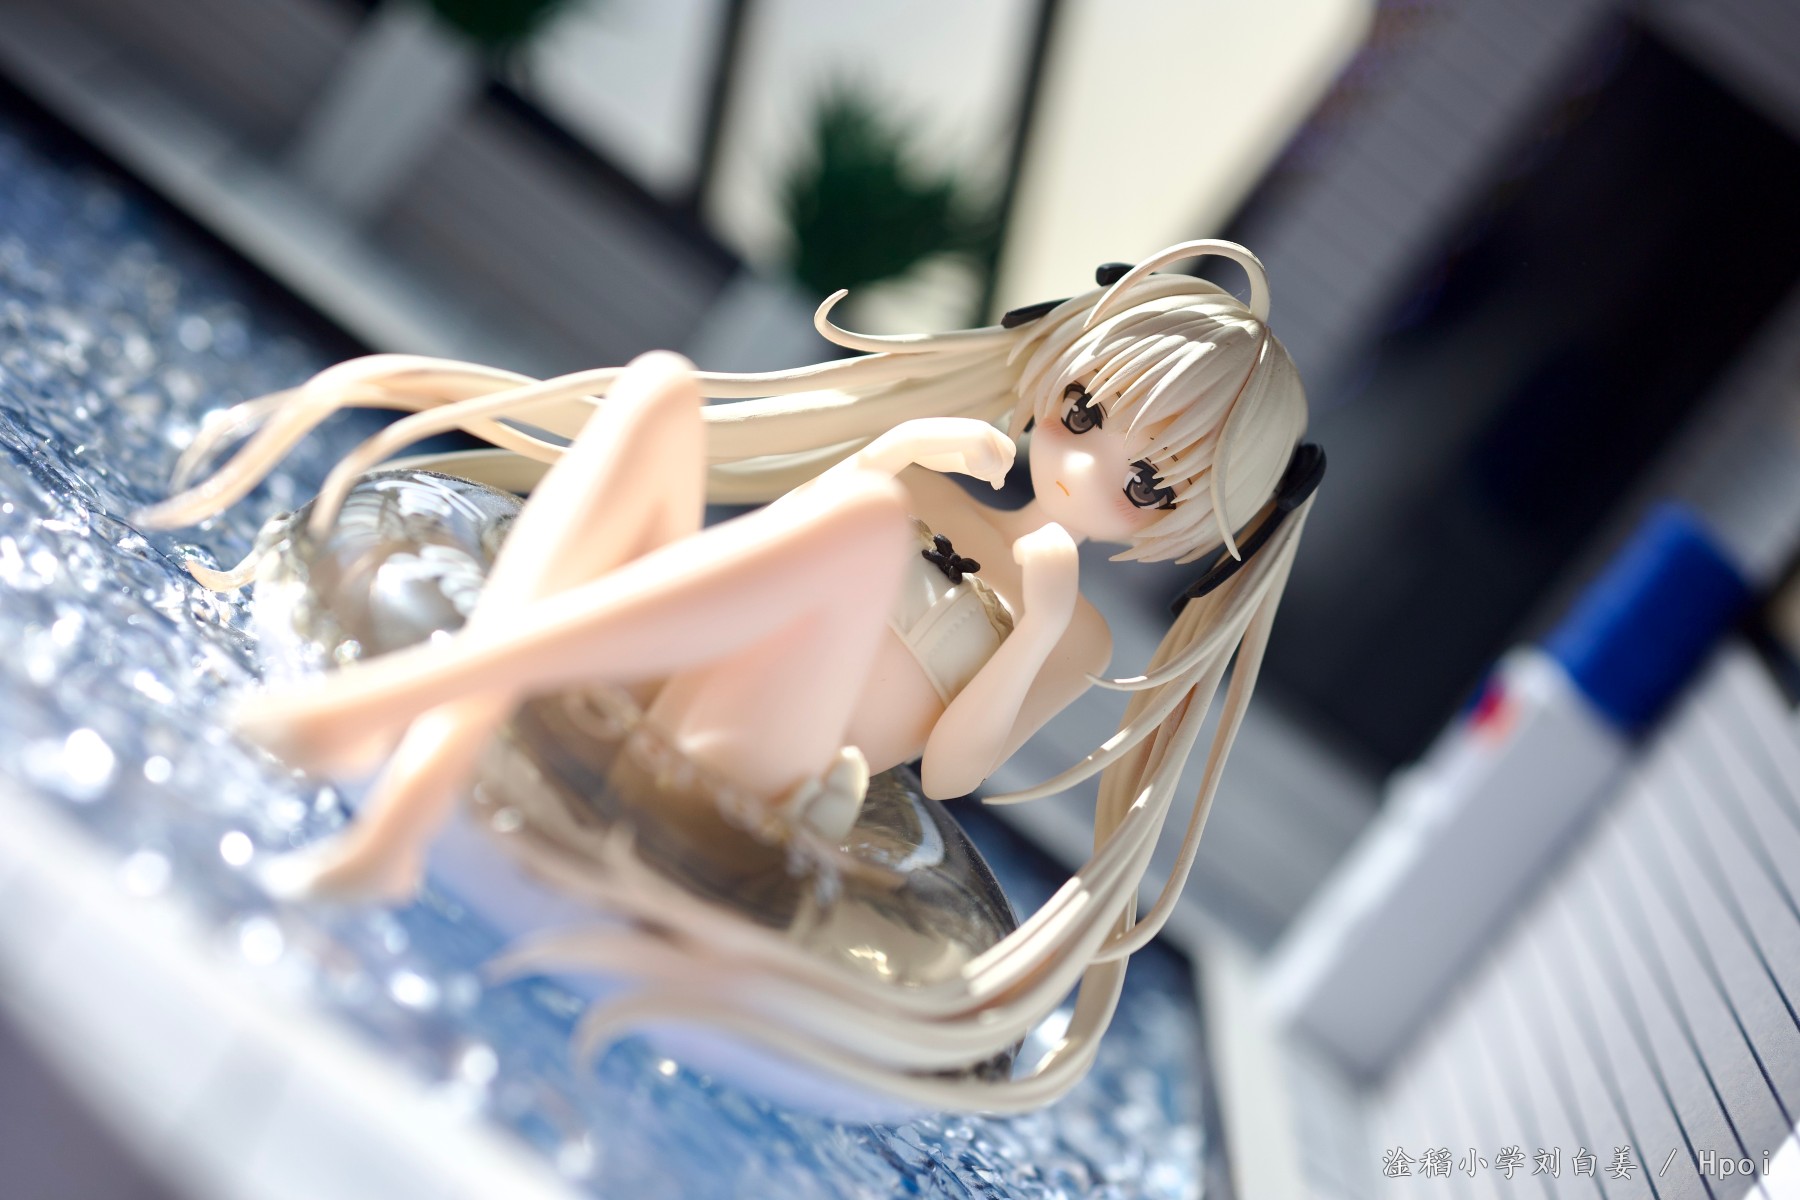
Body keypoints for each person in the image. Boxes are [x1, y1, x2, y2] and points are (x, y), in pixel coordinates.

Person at [143, 240, 1320, 1108]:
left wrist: (1030, 629)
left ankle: (395, 714)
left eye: (1147, 485)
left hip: (757, 761)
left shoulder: (1075, 634)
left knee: (862, 530)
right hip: (676, 660)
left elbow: (953, 772)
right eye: (1084, 413)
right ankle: (408, 805)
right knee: (661, 388)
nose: (1087, 468)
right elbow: (762, 559)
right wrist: (887, 458)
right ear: (1053, 374)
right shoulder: (924, 482)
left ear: (1185, 524)